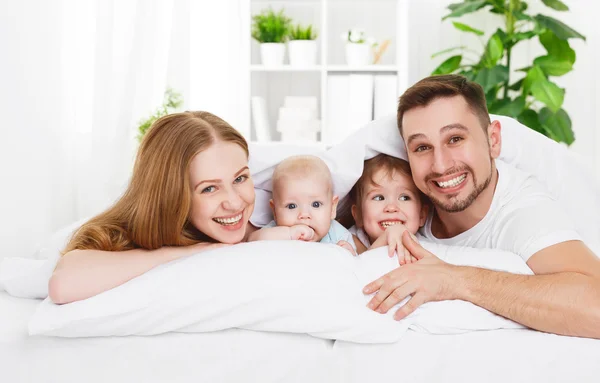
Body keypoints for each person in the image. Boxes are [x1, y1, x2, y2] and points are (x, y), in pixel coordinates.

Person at [363, 74, 600, 339]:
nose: (440, 165)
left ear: (493, 140)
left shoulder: (524, 213)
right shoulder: (406, 197)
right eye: (422, 147)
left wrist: (454, 280)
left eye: (455, 139)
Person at [49, 111, 257, 304]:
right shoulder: (117, 235)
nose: (235, 203)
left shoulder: (276, 209)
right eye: (209, 188)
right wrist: (184, 253)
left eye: (240, 178)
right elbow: (62, 285)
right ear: (171, 195)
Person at [249, 155, 356, 254]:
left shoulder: (338, 236)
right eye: (292, 206)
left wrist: (349, 255)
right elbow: (252, 241)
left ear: (332, 208)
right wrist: (289, 234)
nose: (304, 215)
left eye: (316, 204)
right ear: (275, 211)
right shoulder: (276, 232)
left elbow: (356, 268)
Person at [342, 154, 428, 263]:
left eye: (404, 197)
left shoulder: (428, 249)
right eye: (378, 198)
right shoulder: (347, 242)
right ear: (358, 214)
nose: (391, 207)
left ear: (422, 215)